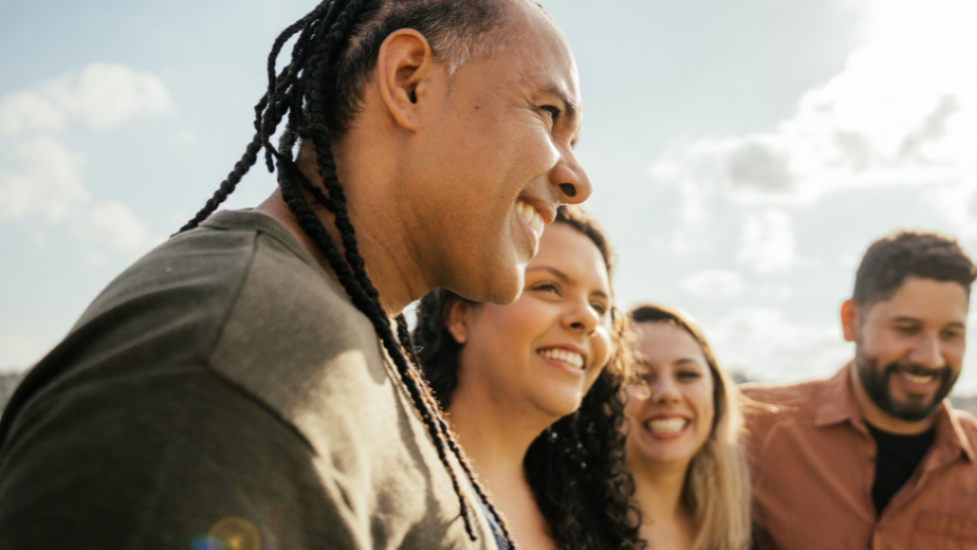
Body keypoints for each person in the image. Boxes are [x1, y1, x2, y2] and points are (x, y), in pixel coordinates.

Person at [0, 1, 590, 549]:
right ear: (411, 82)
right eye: (547, 113)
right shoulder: (231, 356)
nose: (577, 181)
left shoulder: (342, 337)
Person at [741, 231, 977, 549]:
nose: (930, 357)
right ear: (851, 322)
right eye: (906, 329)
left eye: (951, 334)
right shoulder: (749, 427)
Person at [412, 205, 643, 550]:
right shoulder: (391, 475)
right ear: (460, 317)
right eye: (549, 287)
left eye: (599, 306)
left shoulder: (588, 511)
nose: (588, 319)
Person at [622, 304, 752, 550]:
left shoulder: (738, 527)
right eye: (639, 376)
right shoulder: (567, 523)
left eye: (687, 374)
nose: (668, 393)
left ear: (716, 395)